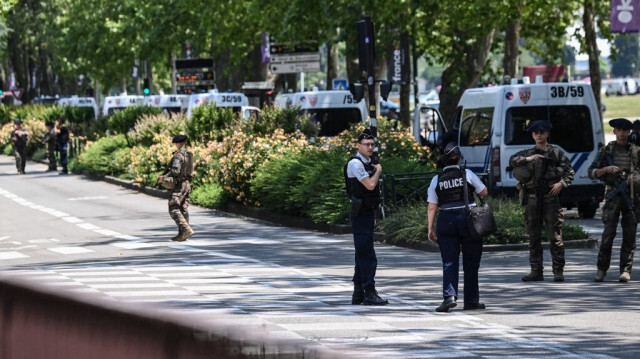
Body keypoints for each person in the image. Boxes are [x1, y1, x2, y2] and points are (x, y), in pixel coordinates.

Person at [509, 120, 575, 282]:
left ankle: (558, 271)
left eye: (542, 132)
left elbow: (570, 172)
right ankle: (536, 270)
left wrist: (561, 184)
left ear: (547, 134)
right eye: (535, 132)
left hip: (550, 199)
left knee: (555, 236)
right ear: (532, 135)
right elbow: (512, 160)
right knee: (534, 236)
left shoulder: (556, 153)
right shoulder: (527, 153)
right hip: (532, 199)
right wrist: (528, 159)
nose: (539, 135)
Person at [427, 142, 488, 312]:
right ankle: (471, 300)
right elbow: (484, 192)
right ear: (459, 159)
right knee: (471, 262)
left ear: (442, 161)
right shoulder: (466, 174)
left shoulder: (436, 179)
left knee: (449, 261)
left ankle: (449, 297)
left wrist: (430, 228)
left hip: (446, 220)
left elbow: (432, 206)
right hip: (468, 220)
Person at [588, 118, 640, 282]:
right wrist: (606, 169)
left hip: (632, 197)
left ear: (629, 132)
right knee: (608, 234)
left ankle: (625, 270)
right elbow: (591, 171)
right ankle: (601, 269)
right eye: (619, 129)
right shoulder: (607, 151)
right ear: (614, 132)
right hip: (613, 198)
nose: (622, 133)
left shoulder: (637, 151)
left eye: (625, 130)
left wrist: (633, 179)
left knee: (630, 235)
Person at [344, 129, 388, 306]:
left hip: (367, 213)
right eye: (366, 144)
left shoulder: (367, 163)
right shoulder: (356, 164)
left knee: (361, 254)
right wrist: (378, 171)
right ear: (358, 146)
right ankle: (369, 291)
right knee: (367, 255)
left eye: (372, 144)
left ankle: (359, 293)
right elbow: (370, 185)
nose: (370, 147)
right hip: (360, 214)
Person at [158, 134, 195, 242]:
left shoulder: (178, 156)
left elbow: (175, 171)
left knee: (173, 207)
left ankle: (186, 229)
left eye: (176, 143)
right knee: (183, 208)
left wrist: (164, 177)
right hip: (187, 183)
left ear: (178, 143)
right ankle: (182, 235)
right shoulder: (189, 154)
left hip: (179, 184)